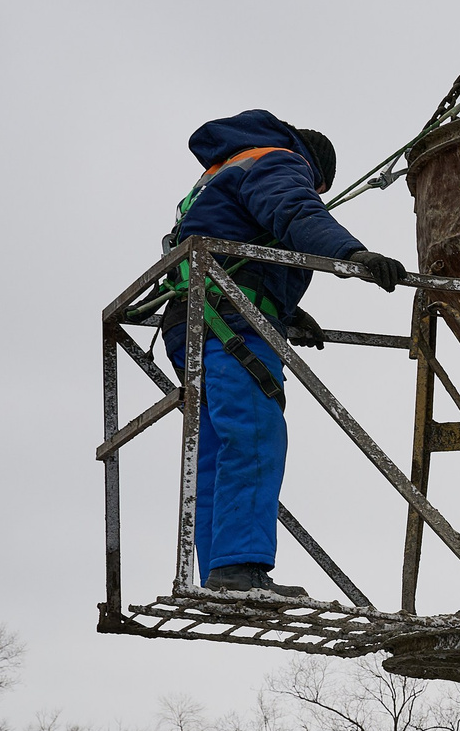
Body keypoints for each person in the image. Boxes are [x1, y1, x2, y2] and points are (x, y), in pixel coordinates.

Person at [161, 110, 411, 596]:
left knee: (216, 446)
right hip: (229, 321)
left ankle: (221, 572)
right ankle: (239, 570)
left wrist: (286, 312)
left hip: (192, 319)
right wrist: (353, 254)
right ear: (315, 169)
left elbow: (241, 243)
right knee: (255, 435)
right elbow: (294, 212)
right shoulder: (279, 161)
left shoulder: (219, 175)